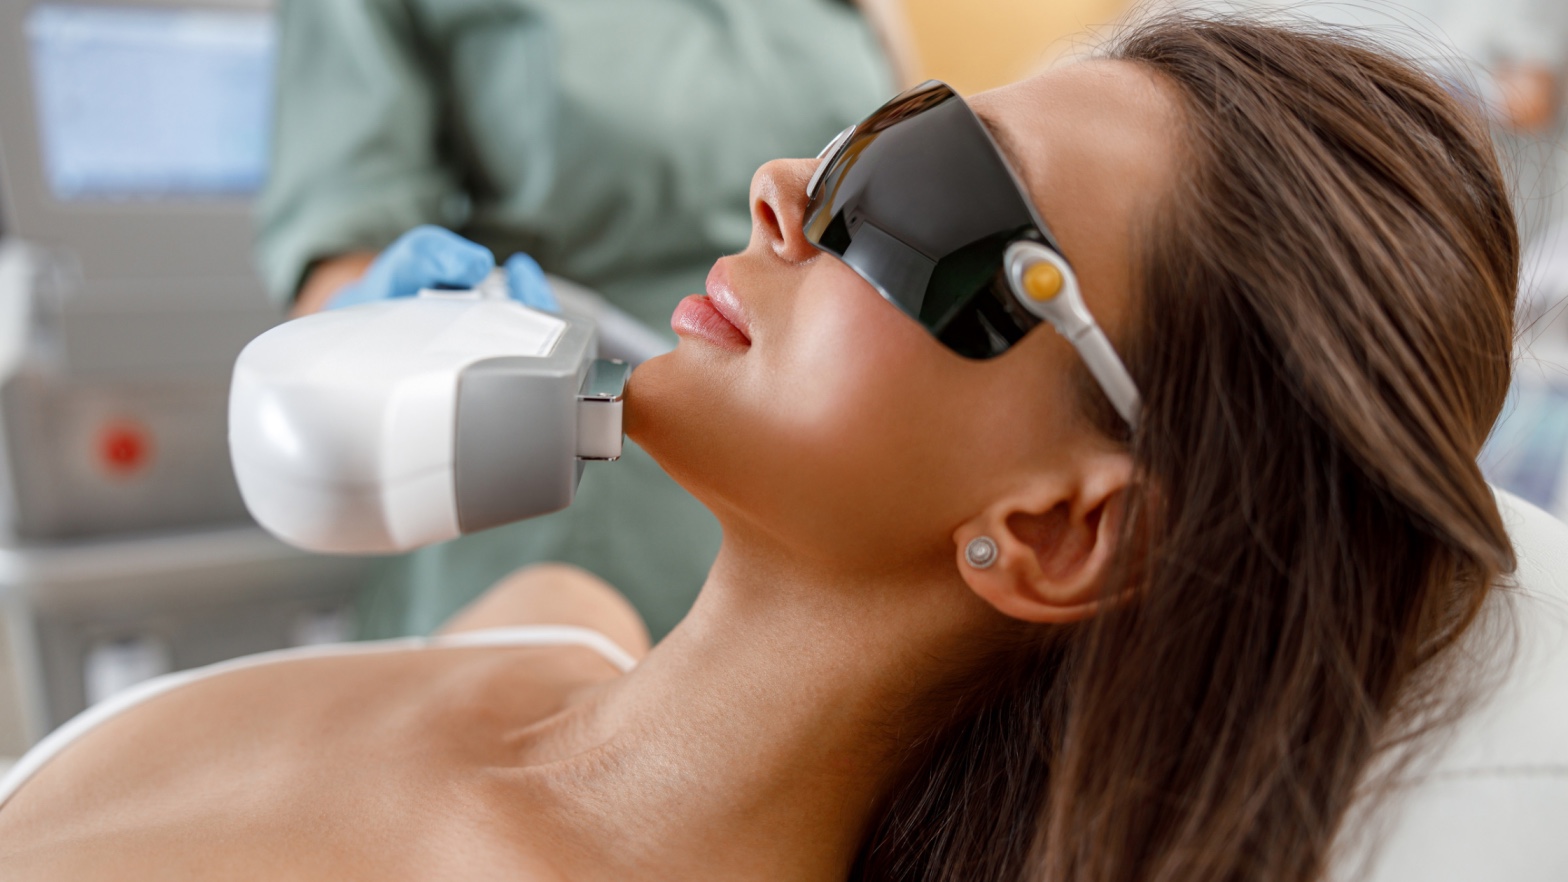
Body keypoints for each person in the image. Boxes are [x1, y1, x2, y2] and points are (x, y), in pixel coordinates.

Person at [3, 14, 1564, 880]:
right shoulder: (554, 638)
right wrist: (380, 338)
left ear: (1057, 529)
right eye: (877, 132)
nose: (779, 185)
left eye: (927, 190)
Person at [256, 0, 908, 641]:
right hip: (547, 492)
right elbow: (339, 242)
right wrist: (375, 317)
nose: (775, 186)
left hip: (817, 497)